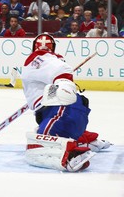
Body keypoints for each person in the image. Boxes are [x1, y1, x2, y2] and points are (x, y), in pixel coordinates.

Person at [21, 33, 111, 172]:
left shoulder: (38, 58)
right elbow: (58, 70)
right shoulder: (50, 61)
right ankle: (83, 139)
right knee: (47, 124)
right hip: (70, 113)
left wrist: (63, 81)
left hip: (62, 113)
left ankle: (72, 154)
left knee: (41, 140)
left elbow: (61, 70)